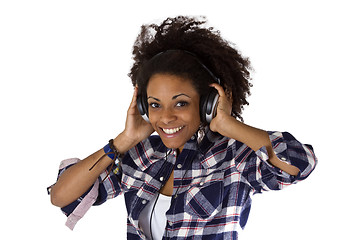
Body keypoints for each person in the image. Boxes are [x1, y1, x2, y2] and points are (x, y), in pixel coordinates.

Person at [48, 16, 317, 239]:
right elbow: (61, 196)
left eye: (180, 104)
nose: (165, 118)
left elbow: (299, 164)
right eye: (155, 105)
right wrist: (123, 141)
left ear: (207, 104)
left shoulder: (233, 158)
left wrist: (227, 124)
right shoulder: (141, 157)